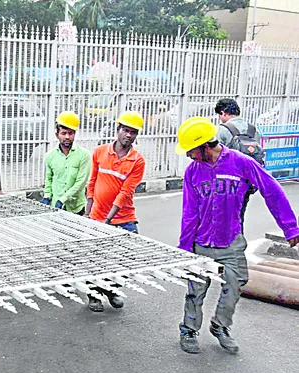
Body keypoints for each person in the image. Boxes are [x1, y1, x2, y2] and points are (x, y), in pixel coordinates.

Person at [175, 116, 299, 355]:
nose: (188, 156)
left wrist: (290, 228)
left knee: (236, 282)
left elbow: (271, 191)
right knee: (195, 289)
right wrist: (184, 249)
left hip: (230, 241)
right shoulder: (193, 172)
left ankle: (220, 325)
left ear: (205, 146)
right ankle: (189, 329)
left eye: (191, 151)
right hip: (202, 243)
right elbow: (189, 212)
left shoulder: (242, 163)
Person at [85, 111, 146, 312]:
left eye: (133, 132)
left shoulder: (137, 161)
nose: (128, 135)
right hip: (97, 216)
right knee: (95, 257)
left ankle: (111, 289)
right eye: (126, 130)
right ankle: (93, 294)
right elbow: (92, 183)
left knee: (124, 257)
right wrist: (88, 213)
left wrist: (108, 220)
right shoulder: (100, 152)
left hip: (123, 217)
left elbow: (125, 192)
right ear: (118, 129)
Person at [214, 98, 264, 229]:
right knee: (240, 213)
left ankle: (225, 243)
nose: (220, 118)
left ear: (223, 112)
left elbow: (215, 155)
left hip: (228, 181)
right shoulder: (253, 130)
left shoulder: (222, 130)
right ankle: (238, 240)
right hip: (248, 179)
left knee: (222, 214)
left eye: (220, 115)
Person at [41, 111, 91, 214]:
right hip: (56, 206)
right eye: (63, 133)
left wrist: (63, 199)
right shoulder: (50, 156)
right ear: (57, 135)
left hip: (76, 208)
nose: (67, 137)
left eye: (70, 133)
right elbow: (48, 180)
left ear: (74, 134)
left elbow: (81, 183)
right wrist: (47, 196)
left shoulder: (84, 155)